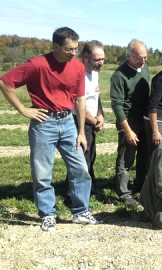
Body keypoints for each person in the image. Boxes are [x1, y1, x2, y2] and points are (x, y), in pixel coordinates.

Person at [0, 27, 99, 231]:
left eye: (76, 49)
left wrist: (81, 131)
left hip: (69, 123)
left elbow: (80, 99)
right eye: (69, 49)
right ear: (55, 46)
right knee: (42, 172)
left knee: (80, 169)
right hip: (44, 124)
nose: (73, 53)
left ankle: (80, 212)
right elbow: (5, 82)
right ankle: (47, 214)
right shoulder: (37, 64)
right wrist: (23, 110)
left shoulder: (78, 67)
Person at [110, 39, 150, 209]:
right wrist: (127, 130)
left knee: (144, 155)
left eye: (145, 57)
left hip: (144, 117)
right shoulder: (119, 75)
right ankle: (124, 193)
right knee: (126, 158)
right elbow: (117, 105)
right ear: (128, 56)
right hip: (129, 119)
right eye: (139, 58)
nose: (143, 61)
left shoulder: (145, 68)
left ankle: (140, 187)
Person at [70, 40, 106, 187]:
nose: (101, 63)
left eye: (103, 59)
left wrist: (101, 115)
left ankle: (89, 184)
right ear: (86, 56)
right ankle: (75, 191)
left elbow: (95, 97)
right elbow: (78, 104)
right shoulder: (78, 74)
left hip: (91, 121)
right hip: (79, 121)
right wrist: (94, 121)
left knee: (91, 154)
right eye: (98, 59)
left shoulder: (95, 72)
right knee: (82, 156)